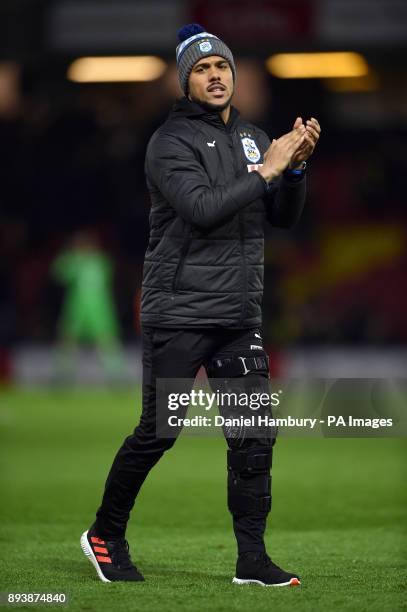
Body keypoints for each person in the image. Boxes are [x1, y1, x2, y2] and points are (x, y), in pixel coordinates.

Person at [80, 23, 320, 586]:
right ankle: (105, 533)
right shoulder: (169, 143)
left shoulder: (255, 137)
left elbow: (283, 217)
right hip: (179, 311)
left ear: (234, 74)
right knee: (160, 430)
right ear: (185, 82)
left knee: (254, 433)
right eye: (202, 68)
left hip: (238, 315)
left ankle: (252, 559)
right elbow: (202, 208)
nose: (216, 75)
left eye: (223, 67)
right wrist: (270, 169)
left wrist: (297, 168)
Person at [52, 230, 124, 383]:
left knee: (106, 341)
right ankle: (63, 375)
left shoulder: (100, 261)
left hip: (98, 309)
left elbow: (60, 272)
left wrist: (70, 256)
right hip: (78, 309)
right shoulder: (77, 261)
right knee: (68, 340)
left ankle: (116, 375)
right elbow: (58, 273)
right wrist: (69, 256)